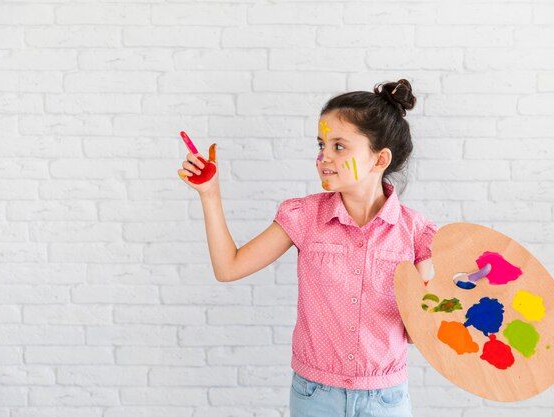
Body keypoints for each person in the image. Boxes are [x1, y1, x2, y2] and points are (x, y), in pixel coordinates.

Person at [177, 79, 437, 417]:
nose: (323, 157)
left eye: (339, 146)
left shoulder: (417, 233)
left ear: (379, 159)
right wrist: (210, 193)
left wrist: (447, 300)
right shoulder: (303, 217)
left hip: (385, 399)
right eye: (321, 145)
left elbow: (419, 335)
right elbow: (229, 267)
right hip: (315, 396)